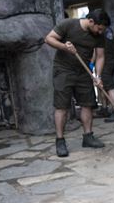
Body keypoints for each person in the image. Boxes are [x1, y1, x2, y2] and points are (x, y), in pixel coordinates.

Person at [45, 9, 109, 157]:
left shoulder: (98, 35)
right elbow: (49, 39)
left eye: (102, 30)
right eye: (99, 28)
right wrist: (64, 47)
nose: (100, 32)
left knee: (87, 104)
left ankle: (88, 137)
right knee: (62, 106)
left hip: (83, 71)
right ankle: (60, 141)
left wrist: (97, 76)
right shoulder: (68, 25)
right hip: (63, 70)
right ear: (91, 21)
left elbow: (100, 56)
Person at [96, 24, 114, 121]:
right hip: (110, 60)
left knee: (109, 87)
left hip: (106, 62)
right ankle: (105, 109)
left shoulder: (102, 33)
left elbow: (98, 52)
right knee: (104, 86)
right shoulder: (109, 31)